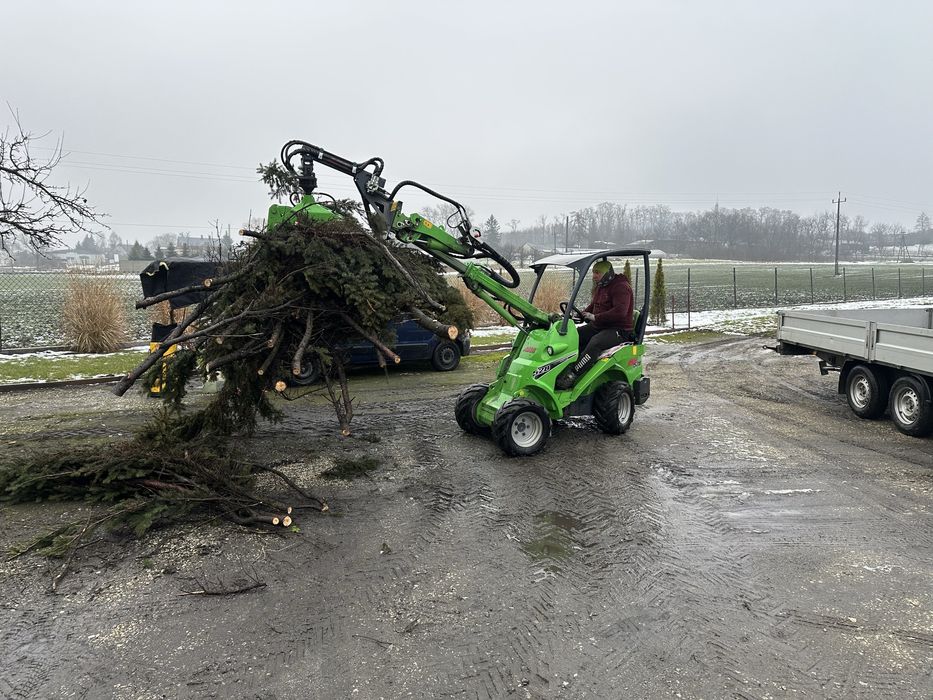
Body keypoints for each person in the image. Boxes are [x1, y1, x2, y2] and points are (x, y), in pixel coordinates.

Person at [555, 260, 634, 389]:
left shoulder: (621, 287)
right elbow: (594, 305)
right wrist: (582, 314)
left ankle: (573, 374)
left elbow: (620, 312)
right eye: (593, 272)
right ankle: (563, 366)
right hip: (599, 326)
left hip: (618, 330)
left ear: (607, 273)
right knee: (574, 336)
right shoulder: (601, 286)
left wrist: (596, 317)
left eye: (597, 273)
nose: (594, 276)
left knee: (596, 342)